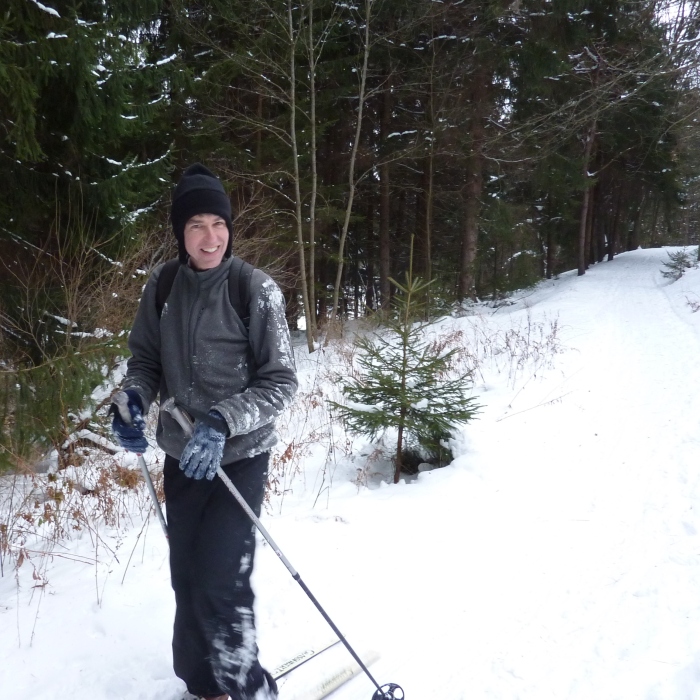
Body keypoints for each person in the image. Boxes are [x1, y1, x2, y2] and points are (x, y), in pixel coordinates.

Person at [110, 163, 298, 700]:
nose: (209, 237)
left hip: (239, 457)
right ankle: (204, 685)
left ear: (230, 228)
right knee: (187, 577)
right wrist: (133, 400)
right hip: (182, 458)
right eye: (196, 225)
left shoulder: (253, 289)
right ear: (180, 233)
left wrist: (222, 421)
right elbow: (144, 361)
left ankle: (246, 688)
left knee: (222, 582)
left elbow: (282, 381)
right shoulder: (163, 285)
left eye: (218, 223)